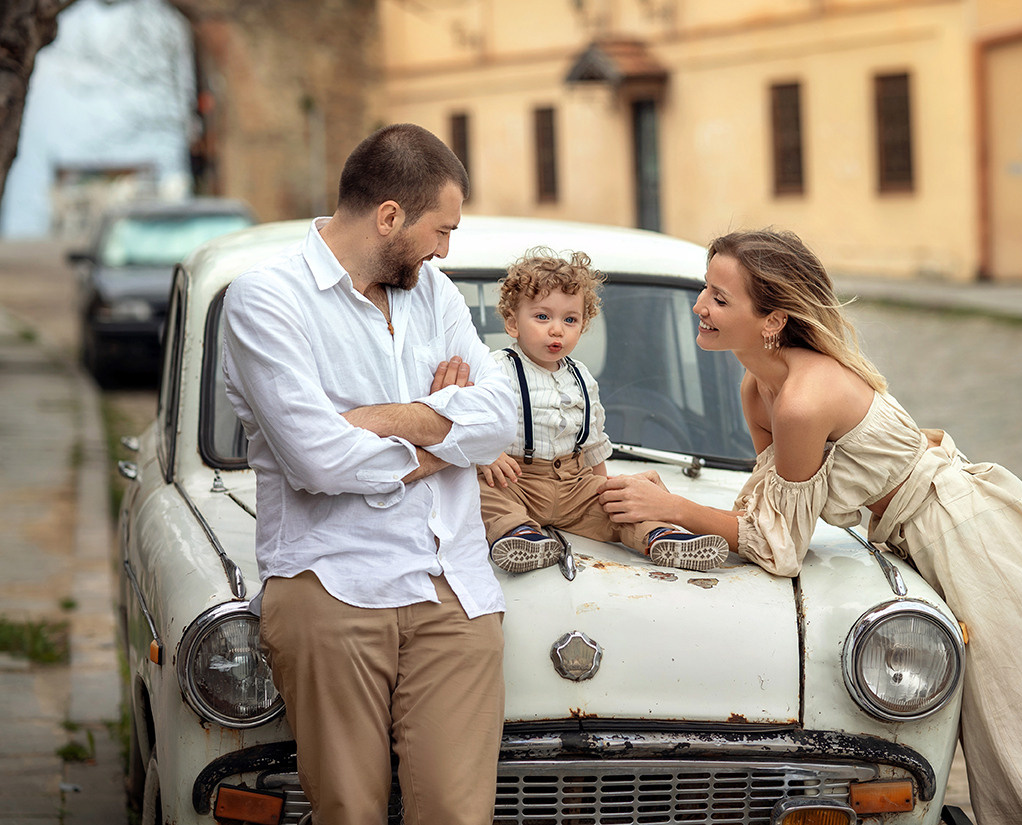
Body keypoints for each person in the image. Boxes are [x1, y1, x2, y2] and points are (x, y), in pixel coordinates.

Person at [598, 228, 1022, 825]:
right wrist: (676, 506)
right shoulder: (759, 388)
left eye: (720, 298)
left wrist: (676, 509)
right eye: (706, 289)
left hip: (969, 534)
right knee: (1006, 740)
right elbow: (765, 509)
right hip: (921, 536)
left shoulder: (802, 400)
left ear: (772, 320)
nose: (700, 306)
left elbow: (779, 546)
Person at [221, 124, 517, 825]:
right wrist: (448, 429)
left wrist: (385, 418)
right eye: (440, 229)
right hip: (331, 585)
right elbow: (317, 459)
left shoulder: (433, 292)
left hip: (454, 591)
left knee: (455, 812)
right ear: (389, 216)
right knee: (348, 811)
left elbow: (502, 417)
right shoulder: (266, 300)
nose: (445, 248)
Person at [478, 249, 728, 573]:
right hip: (516, 480)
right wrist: (486, 454)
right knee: (481, 492)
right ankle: (518, 534)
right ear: (513, 322)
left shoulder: (581, 377)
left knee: (621, 503)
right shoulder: (494, 370)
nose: (557, 330)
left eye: (570, 320)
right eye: (542, 317)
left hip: (572, 481)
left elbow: (594, 442)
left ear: (583, 325)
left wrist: (604, 490)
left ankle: (659, 537)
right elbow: (467, 420)